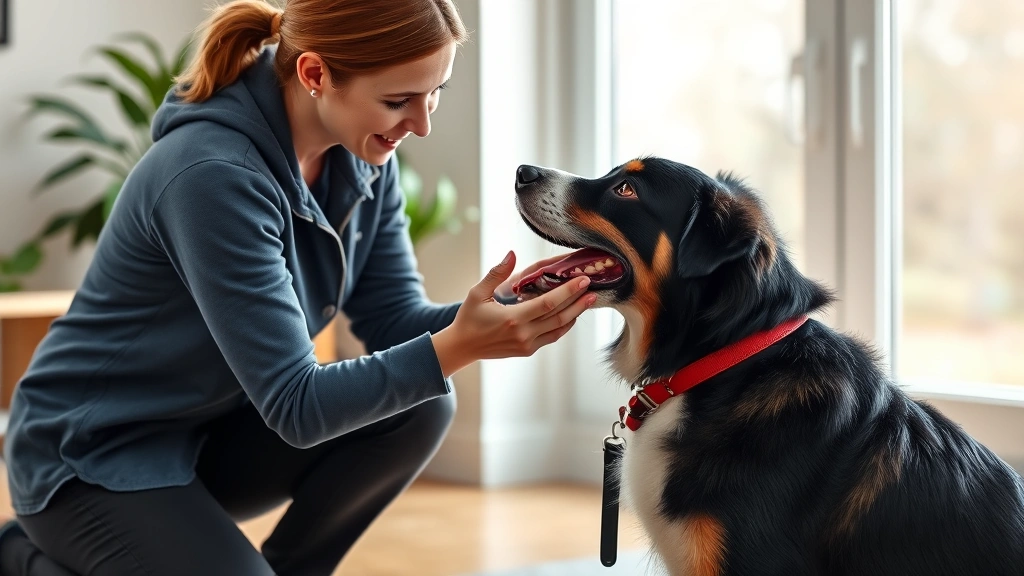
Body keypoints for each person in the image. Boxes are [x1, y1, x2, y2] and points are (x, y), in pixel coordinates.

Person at [0, 1, 594, 574]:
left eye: (434, 92)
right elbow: (297, 406)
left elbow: (391, 317)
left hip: (212, 433)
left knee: (421, 404)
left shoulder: (362, 157)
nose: (421, 124)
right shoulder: (212, 176)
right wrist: (461, 346)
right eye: (398, 100)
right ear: (314, 73)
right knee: (426, 379)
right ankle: (21, 558)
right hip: (92, 454)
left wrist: (511, 305)